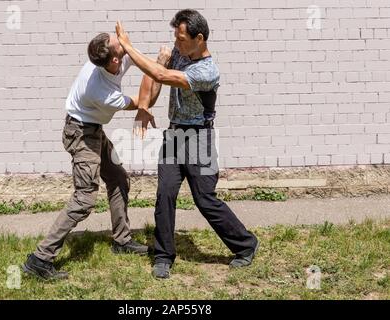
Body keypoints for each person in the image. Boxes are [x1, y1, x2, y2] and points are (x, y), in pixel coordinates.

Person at [116, 9, 260, 279]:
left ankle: (246, 245)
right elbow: (157, 77)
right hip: (174, 135)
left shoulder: (207, 71)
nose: (177, 42)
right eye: (176, 37)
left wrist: (128, 47)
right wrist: (145, 106)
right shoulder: (180, 53)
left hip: (199, 139)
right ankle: (163, 256)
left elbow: (161, 75)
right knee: (165, 194)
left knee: (205, 199)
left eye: (181, 38)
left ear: (200, 38)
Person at [22, 33, 170, 280]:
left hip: (94, 130)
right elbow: (145, 101)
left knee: (118, 179)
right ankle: (40, 258)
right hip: (81, 134)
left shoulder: (109, 56)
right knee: (84, 199)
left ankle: (121, 241)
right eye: (118, 44)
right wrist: (161, 66)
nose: (122, 44)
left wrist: (150, 63)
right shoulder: (102, 93)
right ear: (113, 59)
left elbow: (140, 63)